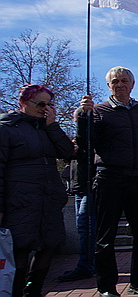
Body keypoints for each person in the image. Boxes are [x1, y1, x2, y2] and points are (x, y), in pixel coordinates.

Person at [76, 67, 138, 297]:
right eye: (114, 81)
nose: (119, 84)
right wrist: (84, 116)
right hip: (109, 177)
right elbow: (86, 144)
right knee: (105, 236)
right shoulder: (98, 111)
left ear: (132, 85)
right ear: (109, 86)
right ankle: (106, 287)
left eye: (123, 81)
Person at [0, 85, 74, 297]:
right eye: (40, 104)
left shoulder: (47, 128)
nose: (45, 108)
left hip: (48, 198)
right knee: (20, 248)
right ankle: (15, 291)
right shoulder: (7, 128)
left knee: (50, 243)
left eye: (49, 104)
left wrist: (52, 126)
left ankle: (34, 289)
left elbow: (67, 152)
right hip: (20, 199)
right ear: (23, 103)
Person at [57, 142, 96, 283]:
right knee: (83, 228)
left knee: (87, 227)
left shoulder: (91, 134)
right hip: (79, 186)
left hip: (89, 186)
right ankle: (89, 264)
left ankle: (86, 266)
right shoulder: (79, 138)